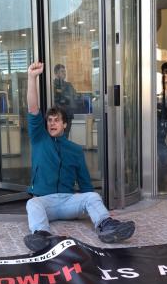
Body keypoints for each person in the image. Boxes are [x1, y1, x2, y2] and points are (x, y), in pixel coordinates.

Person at [23, 62, 135, 252]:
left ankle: (107, 226)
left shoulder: (75, 149)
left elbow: (85, 184)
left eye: (56, 120)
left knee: (92, 196)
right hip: (45, 201)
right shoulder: (39, 138)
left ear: (65, 125)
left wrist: (100, 208)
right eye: (49, 120)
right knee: (32, 204)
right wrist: (32, 78)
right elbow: (33, 108)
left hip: (68, 201)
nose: (52, 123)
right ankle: (41, 235)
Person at [53, 64, 75, 138]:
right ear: (56, 73)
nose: (64, 73)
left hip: (68, 114)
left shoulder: (68, 85)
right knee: (57, 136)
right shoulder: (52, 85)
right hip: (58, 115)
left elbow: (74, 96)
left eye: (65, 71)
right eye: (62, 71)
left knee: (65, 136)